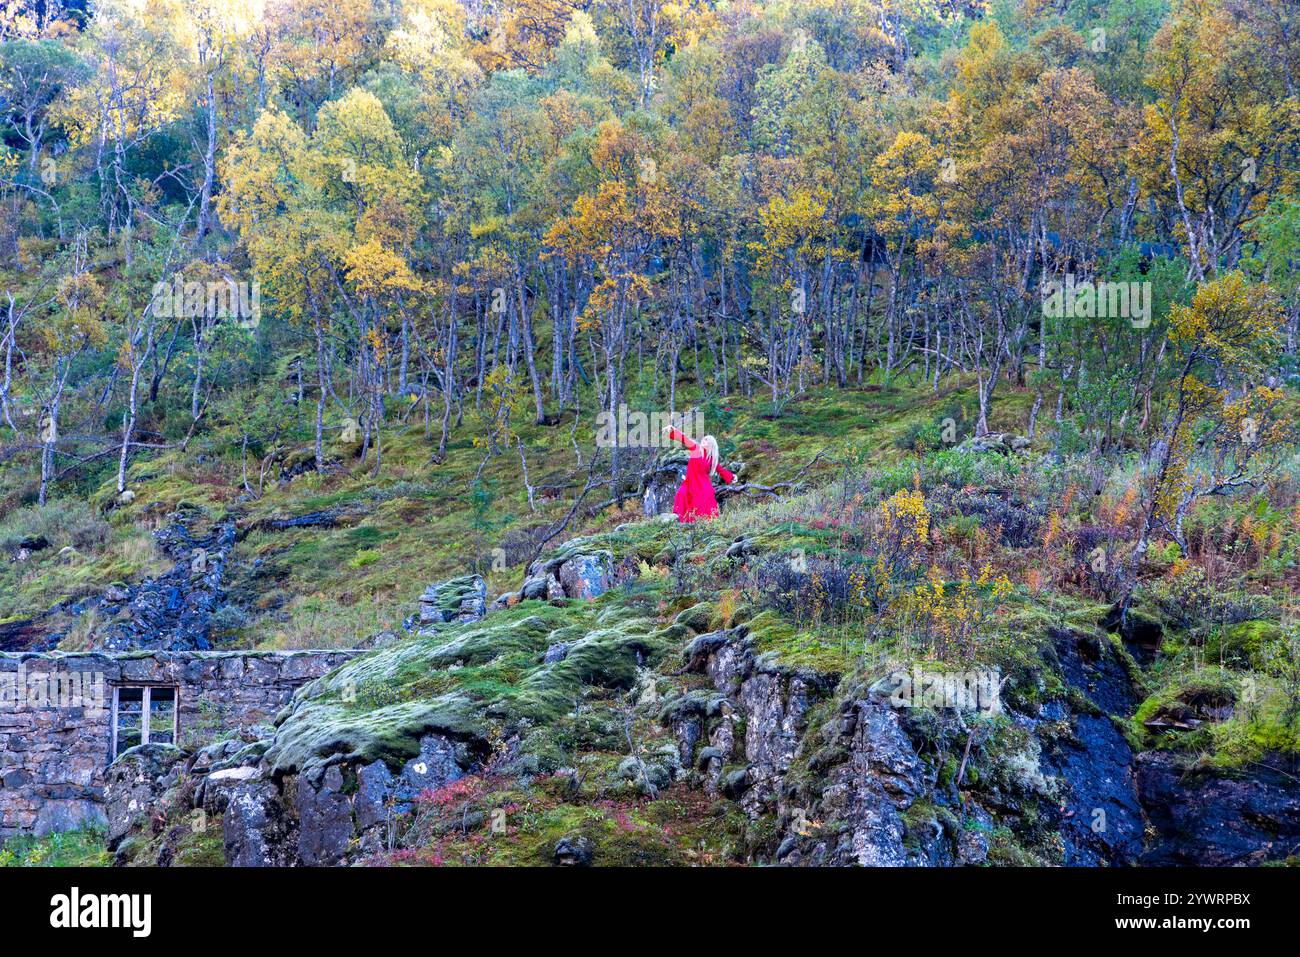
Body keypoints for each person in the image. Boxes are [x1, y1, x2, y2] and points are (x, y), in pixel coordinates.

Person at [662, 425, 736, 522]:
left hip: (703, 485)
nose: (703, 441)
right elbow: (685, 439)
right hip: (690, 483)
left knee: (704, 506)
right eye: (704, 439)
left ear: (711, 445)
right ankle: (682, 522)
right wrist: (673, 430)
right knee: (681, 494)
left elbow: (720, 470)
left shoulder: (711, 458)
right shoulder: (696, 449)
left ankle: (705, 525)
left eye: (706, 441)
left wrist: (731, 477)